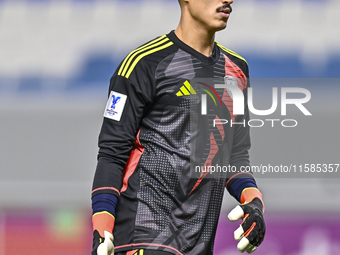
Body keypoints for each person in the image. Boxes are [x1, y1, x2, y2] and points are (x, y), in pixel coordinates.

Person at [91, 0, 266, 254]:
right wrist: (102, 227)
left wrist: (255, 202)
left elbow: (234, 157)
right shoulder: (142, 64)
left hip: (199, 246)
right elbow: (111, 154)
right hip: (143, 239)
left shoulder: (237, 72)